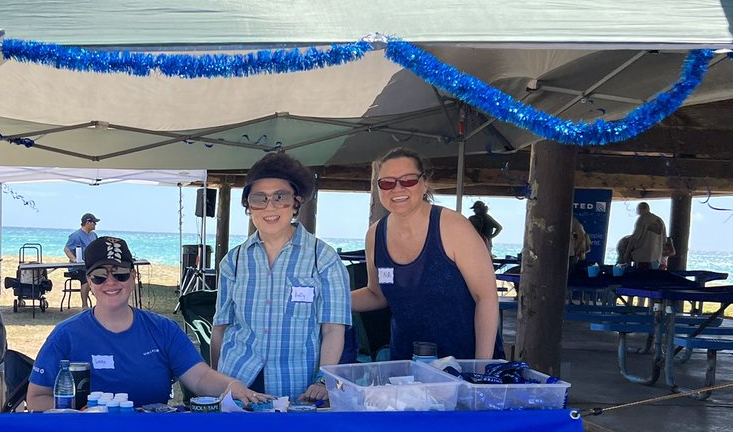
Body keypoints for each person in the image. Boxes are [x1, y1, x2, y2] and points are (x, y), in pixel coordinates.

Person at [27, 236, 267, 410]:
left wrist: (231, 386)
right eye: (100, 276)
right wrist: (81, 414)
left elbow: (200, 377)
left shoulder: (163, 330)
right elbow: (37, 398)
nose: (111, 283)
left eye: (120, 273)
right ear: (89, 282)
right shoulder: (65, 335)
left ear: (133, 277)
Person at [209, 152, 353, 403]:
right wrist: (217, 384)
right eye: (259, 198)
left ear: (296, 202)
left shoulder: (324, 258)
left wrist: (323, 380)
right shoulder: (233, 260)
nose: (270, 207)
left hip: (296, 387)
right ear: (248, 205)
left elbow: (333, 329)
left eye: (280, 197)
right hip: (238, 381)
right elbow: (221, 327)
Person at [351, 148, 502, 361]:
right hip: (405, 364)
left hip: (463, 363)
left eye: (408, 180)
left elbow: (486, 297)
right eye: (387, 183)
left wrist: (481, 367)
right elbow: (377, 294)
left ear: (424, 183)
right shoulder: (375, 234)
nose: (397, 188)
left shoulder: (453, 226)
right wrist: (327, 300)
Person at [63, 213, 101, 308]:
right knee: (87, 278)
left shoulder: (94, 235)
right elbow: (67, 249)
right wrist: (75, 259)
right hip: (78, 268)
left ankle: (101, 302)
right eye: (94, 222)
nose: (95, 225)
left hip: (91, 266)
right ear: (88, 222)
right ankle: (84, 305)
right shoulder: (76, 236)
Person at [628, 201, 666, 270]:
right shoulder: (660, 220)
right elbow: (664, 241)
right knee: (651, 279)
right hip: (656, 259)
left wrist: (627, 252)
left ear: (640, 209)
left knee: (641, 278)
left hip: (642, 257)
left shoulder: (642, 218)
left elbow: (635, 237)